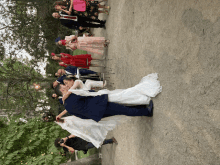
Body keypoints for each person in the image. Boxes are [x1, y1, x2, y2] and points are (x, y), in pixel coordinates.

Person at [54, 83, 154, 123]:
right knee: (124, 109)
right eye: (64, 86)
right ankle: (147, 112)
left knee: (121, 109)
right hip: (100, 105)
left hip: (97, 114)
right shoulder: (72, 95)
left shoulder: (67, 106)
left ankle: (142, 108)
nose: (66, 86)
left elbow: (81, 116)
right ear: (62, 89)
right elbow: (88, 94)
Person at [58, 73, 162, 106]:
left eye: (67, 83)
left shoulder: (77, 83)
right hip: (98, 96)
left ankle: (142, 98)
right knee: (120, 98)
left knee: (121, 96)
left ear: (71, 79)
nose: (67, 86)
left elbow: (71, 90)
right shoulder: (74, 88)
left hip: (99, 96)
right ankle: (141, 100)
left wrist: (65, 95)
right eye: (65, 85)